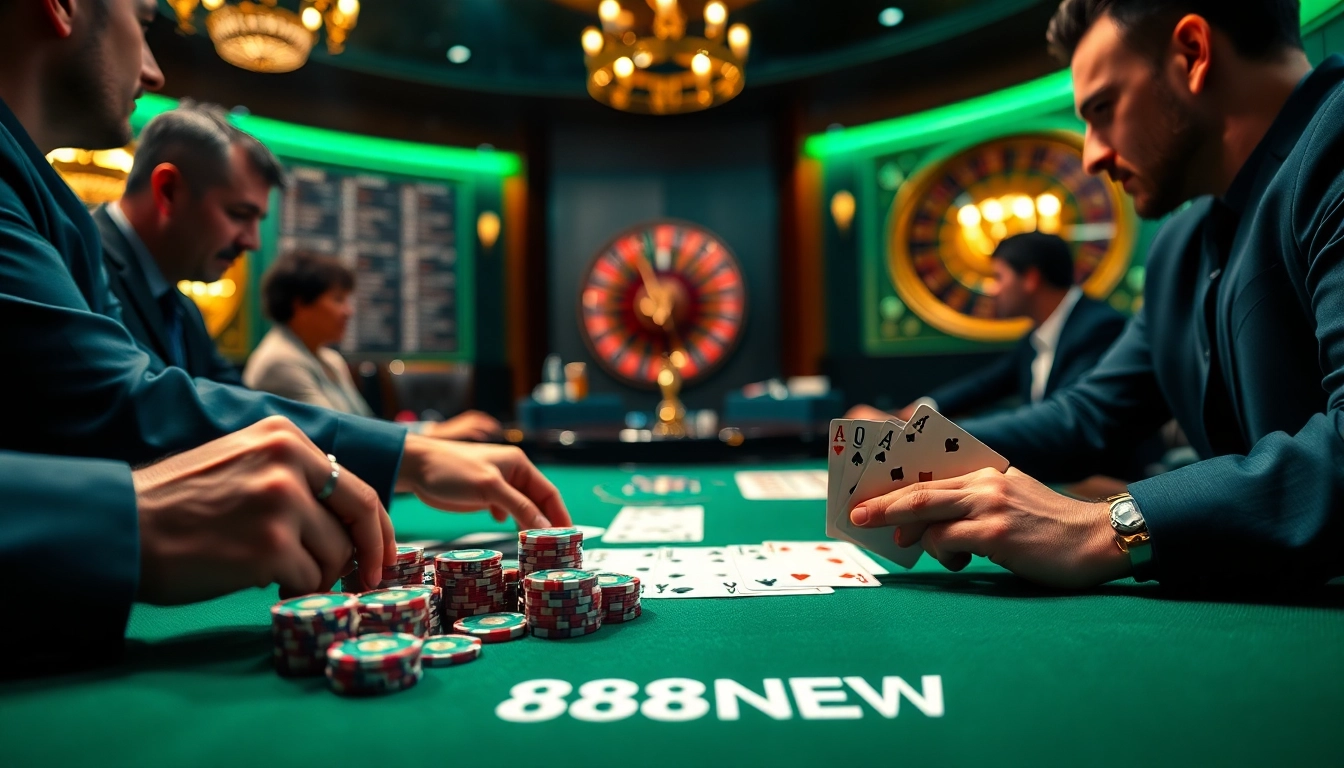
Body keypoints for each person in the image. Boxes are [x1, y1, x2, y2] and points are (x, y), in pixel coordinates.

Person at [0, 0, 568, 636]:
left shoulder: (107, 251)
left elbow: (225, 410)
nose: (156, 73)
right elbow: (118, 409)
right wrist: (407, 453)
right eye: (145, 19)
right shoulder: (66, 225)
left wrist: (410, 452)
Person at [848, 0, 1344, 591]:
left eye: (1103, 110)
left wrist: (1106, 528)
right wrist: (916, 453)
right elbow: (1089, 417)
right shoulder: (1179, 245)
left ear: (1193, 54)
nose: (1092, 155)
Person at [97, 103, 499, 440]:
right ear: (168, 191)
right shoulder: (78, 259)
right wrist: (419, 451)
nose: (253, 242)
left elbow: (251, 416)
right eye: (240, 214)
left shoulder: (180, 309)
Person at [2, 418, 394, 663]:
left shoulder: (184, 312)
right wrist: (125, 517)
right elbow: (121, 398)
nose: (347, 309)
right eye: (339, 297)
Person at [845, 231, 1128, 423]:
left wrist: (923, 433)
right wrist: (914, 414)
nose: (991, 289)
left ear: (1030, 278)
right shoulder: (1037, 335)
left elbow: (1062, 421)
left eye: (998, 276)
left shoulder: (1099, 327)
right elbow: (983, 386)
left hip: (1109, 488)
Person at [244, 251, 502, 442]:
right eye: (337, 299)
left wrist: (432, 431)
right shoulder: (280, 361)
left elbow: (366, 426)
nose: (349, 311)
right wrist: (437, 432)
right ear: (299, 304)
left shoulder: (329, 358)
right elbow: (340, 437)